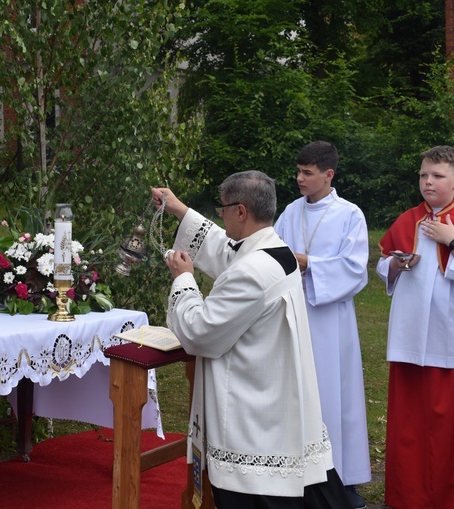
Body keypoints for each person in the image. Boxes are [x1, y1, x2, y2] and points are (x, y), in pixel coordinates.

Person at [153, 171, 351, 509]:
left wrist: (184, 281)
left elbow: (200, 333)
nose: (221, 215)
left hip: (252, 420)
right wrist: (178, 209)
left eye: (224, 209)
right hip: (275, 398)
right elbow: (227, 251)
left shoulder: (252, 271)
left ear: (241, 211)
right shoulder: (275, 249)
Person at [273, 141, 371, 509]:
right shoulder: (289, 212)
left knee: (335, 395)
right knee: (296, 393)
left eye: (307, 173)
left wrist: (309, 263)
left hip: (331, 320)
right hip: (293, 313)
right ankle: (297, 473)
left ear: (329, 175)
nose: (299, 179)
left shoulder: (350, 215)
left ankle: (341, 479)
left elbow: (355, 268)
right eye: (298, 171)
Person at [376, 145, 454, 509]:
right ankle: (407, 496)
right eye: (424, 175)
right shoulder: (409, 219)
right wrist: (396, 265)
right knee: (408, 425)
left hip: (446, 336)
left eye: (437, 175)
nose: (428, 182)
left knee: (443, 424)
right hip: (409, 336)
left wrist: (450, 241)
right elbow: (383, 262)